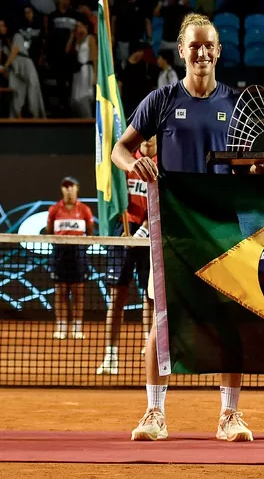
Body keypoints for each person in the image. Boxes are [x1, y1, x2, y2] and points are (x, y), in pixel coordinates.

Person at [112, 13, 253, 443]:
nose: (202, 52)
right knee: (163, 324)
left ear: (219, 51)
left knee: (229, 323)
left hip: (224, 232)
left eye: (209, 45)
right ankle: (154, 412)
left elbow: (252, 164)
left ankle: (229, 415)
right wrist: (134, 163)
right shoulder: (161, 100)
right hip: (173, 231)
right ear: (181, 50)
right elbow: (120, 148)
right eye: (195, 45)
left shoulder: (237, 104)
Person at [97, 137, 157, 376]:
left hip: (150, 233)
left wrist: (145, 229)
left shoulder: (163, 164)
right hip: (124, 231)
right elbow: (116, 195)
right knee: (117, 297)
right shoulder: (126, 162)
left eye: (153, 133)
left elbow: (161, 200)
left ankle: (149, 348)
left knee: (150, 297)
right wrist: (126, 230)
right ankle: (110, 356)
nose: (148, 137)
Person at [47, 177, 94, 340]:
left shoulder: (85, 210)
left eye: (71, 186)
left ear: (77, 188)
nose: (68, 190)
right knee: (60, 292)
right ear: (62, 190)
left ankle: (77, 327)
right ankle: (61, 327)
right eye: (65, 187)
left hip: (78, 254)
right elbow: (49, 232)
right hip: (59, 254)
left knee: (78, 292)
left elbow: (90, 232)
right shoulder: (54, 209)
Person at [0, 18, 46, 118]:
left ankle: (36, 118)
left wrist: (4, 67)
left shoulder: (17, 36)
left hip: (25, 64)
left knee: (33, 91)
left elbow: (14, 53)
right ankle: (16, 120)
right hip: (13, 68)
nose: (1, 28)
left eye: (3, 26)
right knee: (15, 94)